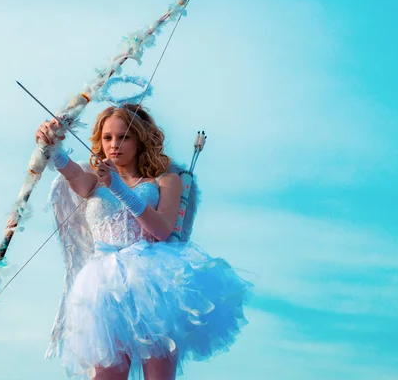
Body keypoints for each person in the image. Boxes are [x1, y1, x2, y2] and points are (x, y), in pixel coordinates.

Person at [36, 104, 251, 380]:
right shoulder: (94, 182)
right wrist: (50, 146)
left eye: (124, 137)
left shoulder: (166, 181)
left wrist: (120, 188)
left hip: (153, 282)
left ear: (140, 140)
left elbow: (162, 230)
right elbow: (72, 173)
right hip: (102, 286)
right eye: (107, 138)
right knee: (106, 374)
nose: (115, 145)